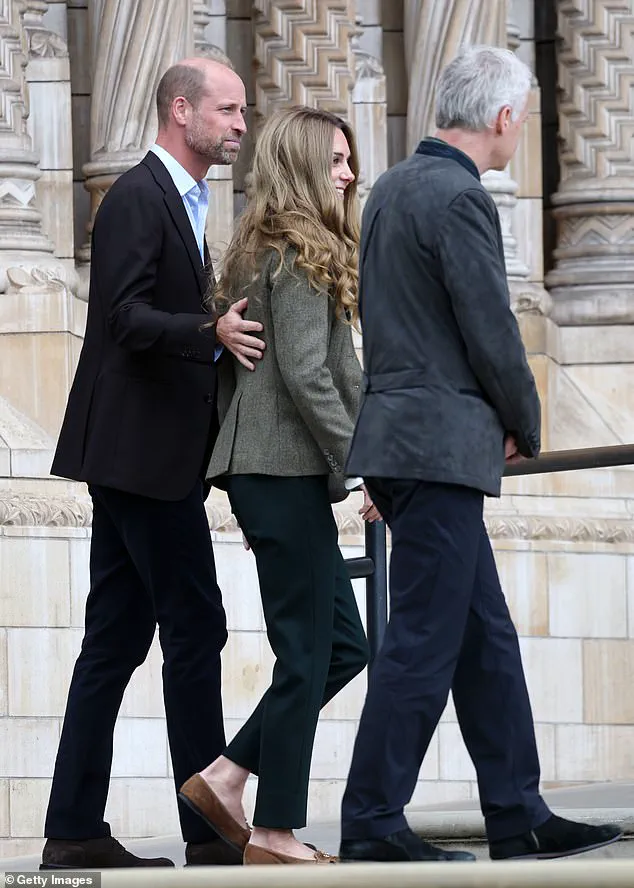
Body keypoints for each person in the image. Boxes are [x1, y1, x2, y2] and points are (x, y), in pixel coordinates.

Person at [338, 45, 623, 864]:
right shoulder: (460, 197)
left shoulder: (390, 189)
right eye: (522, 121)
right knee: (424, 640)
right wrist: (525, 422)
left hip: (401, 442)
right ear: (502, 118)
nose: (519, 133)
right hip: (438, 448)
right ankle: (372, 820)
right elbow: (491, 329)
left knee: (483, 636)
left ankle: (517, 811)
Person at [41, 57, 266, 870]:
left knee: (114, 641)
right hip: (140, 459)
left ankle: (73, 830)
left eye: (242, 111)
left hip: (141, 458)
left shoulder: (185, 199)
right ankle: (208, 832)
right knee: (196, 626)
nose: (240, 124)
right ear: (181, 109)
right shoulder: (139, 196)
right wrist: (212, 331)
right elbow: (126, 317)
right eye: (228, 110)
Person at [178, 106, 375, 865]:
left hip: (273, 472)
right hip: (279, 471)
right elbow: (309, 373)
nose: (349, 174)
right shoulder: (295, 251)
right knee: (307, 653)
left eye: (349, 161)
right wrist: (364, 462)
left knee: (343, 647)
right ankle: (273, 830)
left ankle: (227, 777)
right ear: (300, 166)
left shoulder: (272, 248)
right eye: (335, 161)